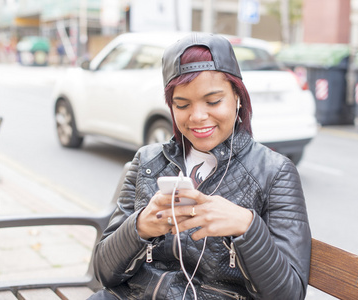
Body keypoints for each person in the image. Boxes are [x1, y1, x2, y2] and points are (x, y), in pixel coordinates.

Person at [89, 32, 311, 300]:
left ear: (237, 97)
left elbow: (290, 294)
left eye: (213, 101)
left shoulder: (274, 173)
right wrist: (140, 228)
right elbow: (103, 273)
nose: (197, 117)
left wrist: (247, 227)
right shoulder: (147, 162)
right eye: (182, 104)